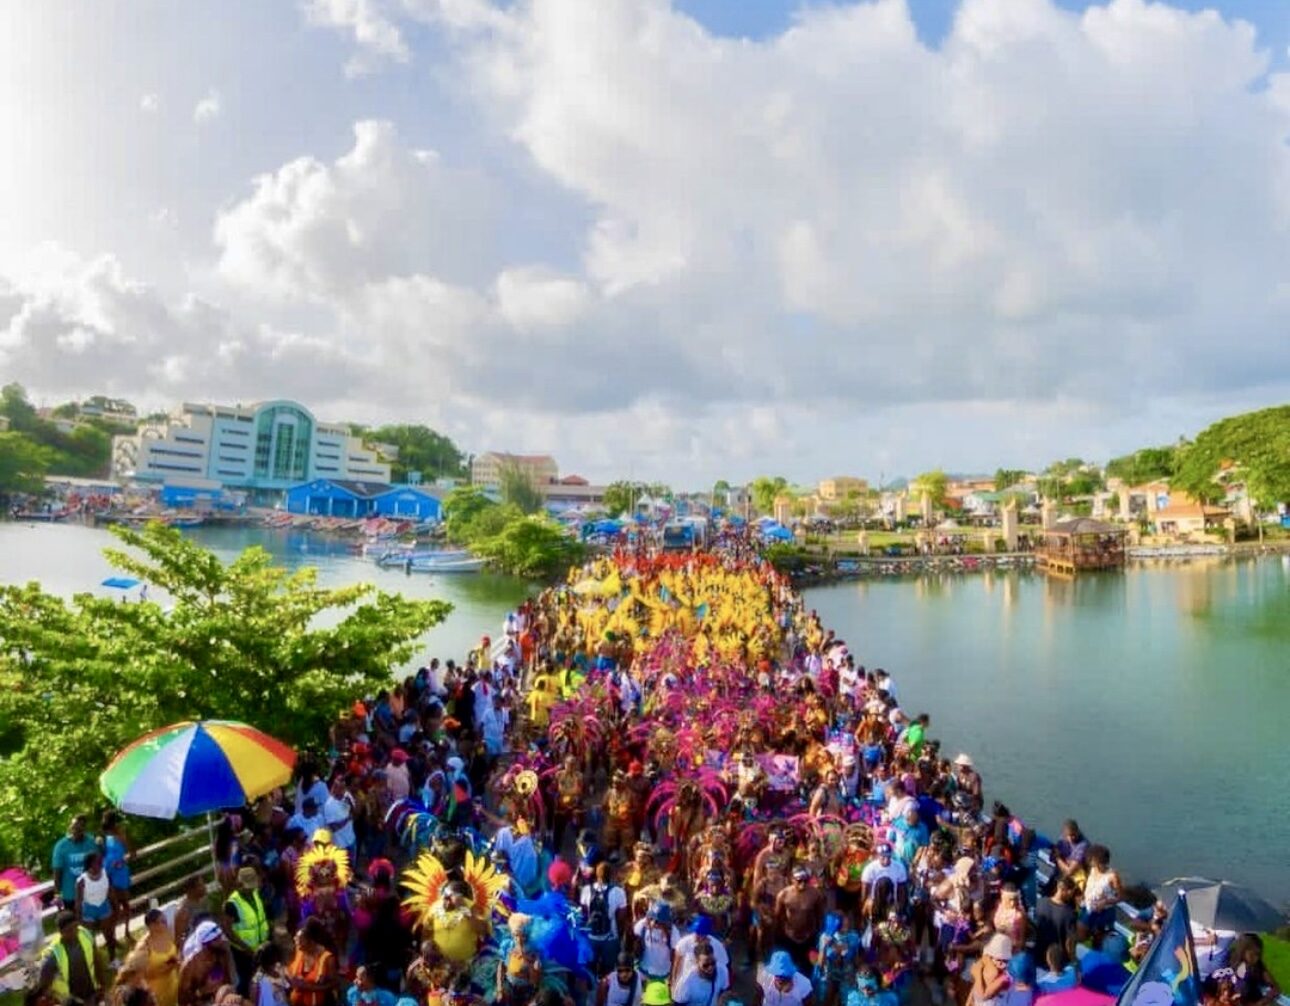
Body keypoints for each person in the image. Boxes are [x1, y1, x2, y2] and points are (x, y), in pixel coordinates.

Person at [37, 910, 109, 1005]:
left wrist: (103, 985)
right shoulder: (53, 955)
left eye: (75, 927)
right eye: (69, 930)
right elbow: (44, 987)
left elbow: (97, 960)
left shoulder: (86, 934)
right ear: (61, 932)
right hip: (70, 1002)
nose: (74, 932)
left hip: (91, 994)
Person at [225, 867, 271, 997]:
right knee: (247, 981)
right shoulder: (232, 904)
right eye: (247, 887)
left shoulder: (256, 893)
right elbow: (228, 930)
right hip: (243, 953)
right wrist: (247, 949)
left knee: (263, 979)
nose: (251, 889)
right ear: (239, 884)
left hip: (261, 947)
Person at [121, 908, 181, 1006]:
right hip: (156, 992)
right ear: (152, 926)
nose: (166, 924)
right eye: (163, 922)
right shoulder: (143, 947)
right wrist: (166, 968)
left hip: (173, 985)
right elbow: (138, 974)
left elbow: (175, 951)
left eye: (165, 921)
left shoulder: (168, 934)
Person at [581, 861, 631, 976]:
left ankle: (592, 984)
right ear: (611, 875)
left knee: (590, 968)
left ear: (596, 874)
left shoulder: (586, 890)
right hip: (610, 937)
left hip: (591, 936)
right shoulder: (618, 892)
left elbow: (584, 912)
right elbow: (621, 916)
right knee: (609, 969)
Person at [775, 866, 825, 974]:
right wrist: (780, 936)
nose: (802, 884)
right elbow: (778, 916)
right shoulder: (783, 894)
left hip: (808, 937)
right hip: (789, 936)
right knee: (789, 966)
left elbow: (820, 915)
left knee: (807, 967)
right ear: (792, 879)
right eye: (799, 881)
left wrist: (818, 935)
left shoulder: (815, 894)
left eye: (805, 881)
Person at [178, 921, 236, 1006]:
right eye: (217, 939)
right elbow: (183, 999)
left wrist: (224, 992)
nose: (222, 941)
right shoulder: (190, 965)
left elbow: (228, 984)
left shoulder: (222, 955)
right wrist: (202, 992)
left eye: (220, 937)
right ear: (205, 944)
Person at [286, 917, 338, 1006]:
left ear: (311, 941)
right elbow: (291, 970)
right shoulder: (299, 951)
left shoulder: (327, 958)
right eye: (295, 936)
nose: (295, 939)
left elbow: (334, 983)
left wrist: (309, 987)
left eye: (299, 938)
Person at [74, 852, 116, 959]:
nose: (101, 863)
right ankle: (95, 962)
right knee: (90, 939)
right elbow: (78, 901)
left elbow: (111, 893)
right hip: (89, 909)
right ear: (90, 864)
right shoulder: (81, 881)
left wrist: (115, 907)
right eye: (98, 861)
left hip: (104, 906)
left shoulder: (106, 874)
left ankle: (113, 959)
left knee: (109, 935)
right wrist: (79, 919)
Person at [52, 814, 98, 909]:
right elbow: (57, 871)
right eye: (74, 827)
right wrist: (57, 894)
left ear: (84, 829)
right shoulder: (61, 846)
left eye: (79, 828)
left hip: (90, 893)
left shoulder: (91, 842)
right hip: (70, 895)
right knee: (72, 918)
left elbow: (98, 864)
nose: (75, 830)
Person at [101, 811, 133, 945]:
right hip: (108, 873)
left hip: (120, 872)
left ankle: (127, 931)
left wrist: (122, 862)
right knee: (112, 905)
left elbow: (132, 853)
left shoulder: (121, 834)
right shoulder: (105, 836)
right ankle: (112, 936)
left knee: (124, 903)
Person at [1033, 877, 1078, 970]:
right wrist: (1074, 960)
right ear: (1065, 890)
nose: (1072, 895)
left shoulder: (1041, 902)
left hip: (1038, 956)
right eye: (1071, 892)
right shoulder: (1070, 914)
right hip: (1058, 961)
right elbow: (1069, 942)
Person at [634, 902, 680, 982]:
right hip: (643, 971)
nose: (653, 922)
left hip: (663, 974)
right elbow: (635, 943)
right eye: (652, 918)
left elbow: (675, 954)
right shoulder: (642, 925)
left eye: (657, 921)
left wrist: (672, 976)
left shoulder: (673, 932)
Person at [1230, 934, 1281, 1006]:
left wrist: (1260, 1003)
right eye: (1252, 954)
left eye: (1258, 954)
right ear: (1243, 951)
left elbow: (1276, 988)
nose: (1256, 958)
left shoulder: (1258, 966)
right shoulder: (1233, 963)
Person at [969, 934, 1013, 1006]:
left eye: (1005, 961)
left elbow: (982, 997)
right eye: (998, 960)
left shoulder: (1005, 978)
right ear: (990, 958)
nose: (1002, 963)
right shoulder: (985, 970)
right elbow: (973, 992)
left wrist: (977, 974)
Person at [175, 875, 213, 946]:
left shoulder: (206, 901)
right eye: (201, 885)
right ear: (192, 890)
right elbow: (179, 939)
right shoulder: (183, 912)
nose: (205, 887)